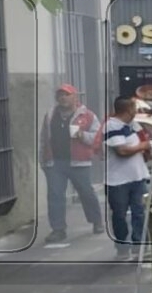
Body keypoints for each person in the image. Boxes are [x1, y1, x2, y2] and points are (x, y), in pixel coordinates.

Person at [40, 84, 105, 244]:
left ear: (75, 97)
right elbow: (44, 138)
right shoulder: (50, 115)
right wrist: (42, 158)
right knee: (55, 195)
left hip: (79, 161)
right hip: (55, 162)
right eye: (60, 95)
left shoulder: (87, 115)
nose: (63, 98)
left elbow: (97, 137)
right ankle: (58, 229)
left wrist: (82, 135)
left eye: (67, 95)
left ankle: (96, 221)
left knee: (86, 192)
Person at [102, 96, 152, 262]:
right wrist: (142, 146)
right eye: (134, 108)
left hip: (138, 176)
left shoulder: (134, 125)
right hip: (117, 180)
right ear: (128, 109)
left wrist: (146, 149)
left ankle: (140, 246)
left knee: (140, 212)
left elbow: (145, 143)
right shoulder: (111, 126)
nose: (136, 111)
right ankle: (122, 247)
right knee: (119, 215)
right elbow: (121, 151)